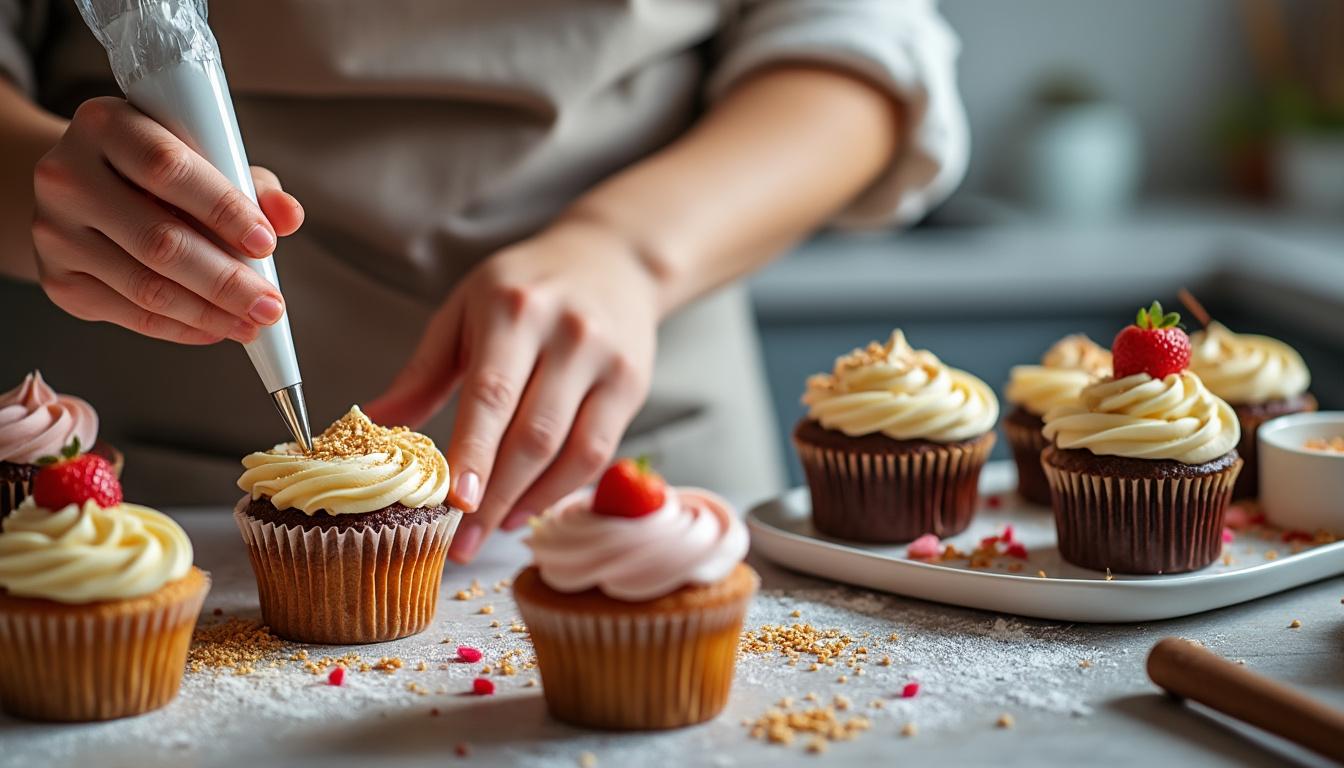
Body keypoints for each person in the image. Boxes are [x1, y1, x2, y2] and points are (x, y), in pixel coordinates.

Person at [0, 1, 967, 563]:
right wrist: (42, 184)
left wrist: (628, 249)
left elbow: (860, 46)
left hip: (653, 456)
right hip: (139, 494)